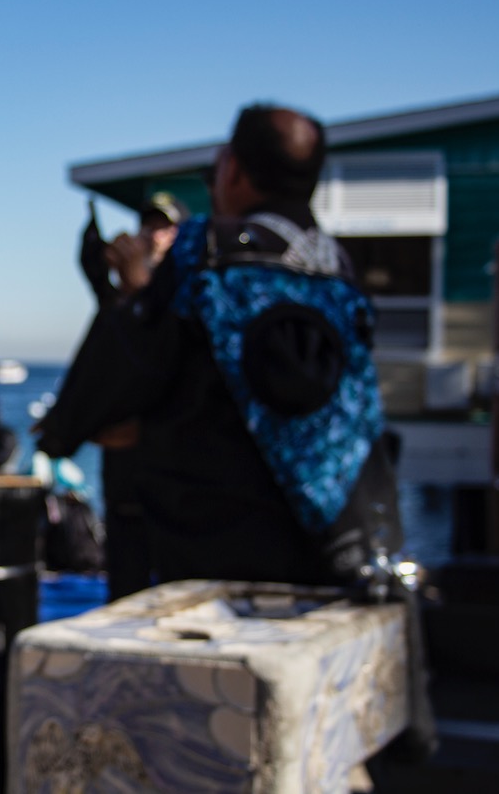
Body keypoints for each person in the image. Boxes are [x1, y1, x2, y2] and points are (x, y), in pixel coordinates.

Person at [37, 103, 394, 587]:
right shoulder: (334, 265)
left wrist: (127, 292)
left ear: (237, 171)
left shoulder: (204, 249)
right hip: (323, 538)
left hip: (209, 544)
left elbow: (118, 377)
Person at [75, 192, 190, 600]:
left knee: (176, 582)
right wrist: (96, 250)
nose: (152, 234)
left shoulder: (187, 288)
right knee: (125, 570)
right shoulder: (120, 297)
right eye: (148, 224)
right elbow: (97, 282)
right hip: (123, 466)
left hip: (169, 464)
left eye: (162, 226)